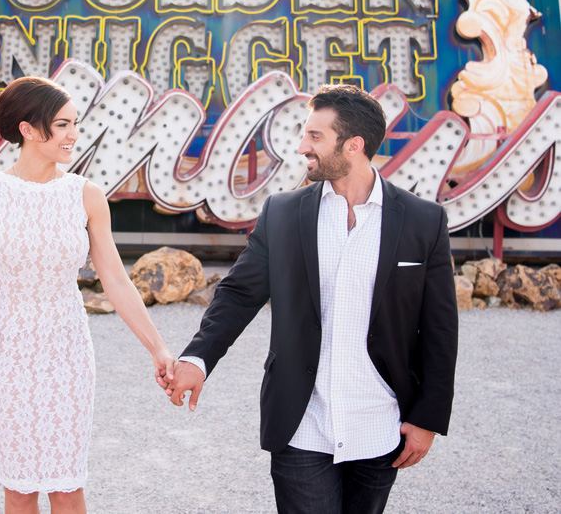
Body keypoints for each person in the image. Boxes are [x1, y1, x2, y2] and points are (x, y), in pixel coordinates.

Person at [164, 84, 459, 514]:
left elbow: (440, 329)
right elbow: (240, 294)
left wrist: (428, 418)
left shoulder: (423, 220)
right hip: (302, 423)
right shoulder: (282, 213)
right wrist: (197, 359)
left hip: (381, 424)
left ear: (354, 145)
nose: (303, 146)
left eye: (315, 136)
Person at [0, 75, 175, 514]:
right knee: (19, 489)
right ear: (29, 130)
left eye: (75, 124)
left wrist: (158, 347)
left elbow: (115, 278)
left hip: (68, 349)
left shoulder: (86, 195)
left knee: (67, 488)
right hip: (7, 351)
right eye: (63, 124)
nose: (74, 134)